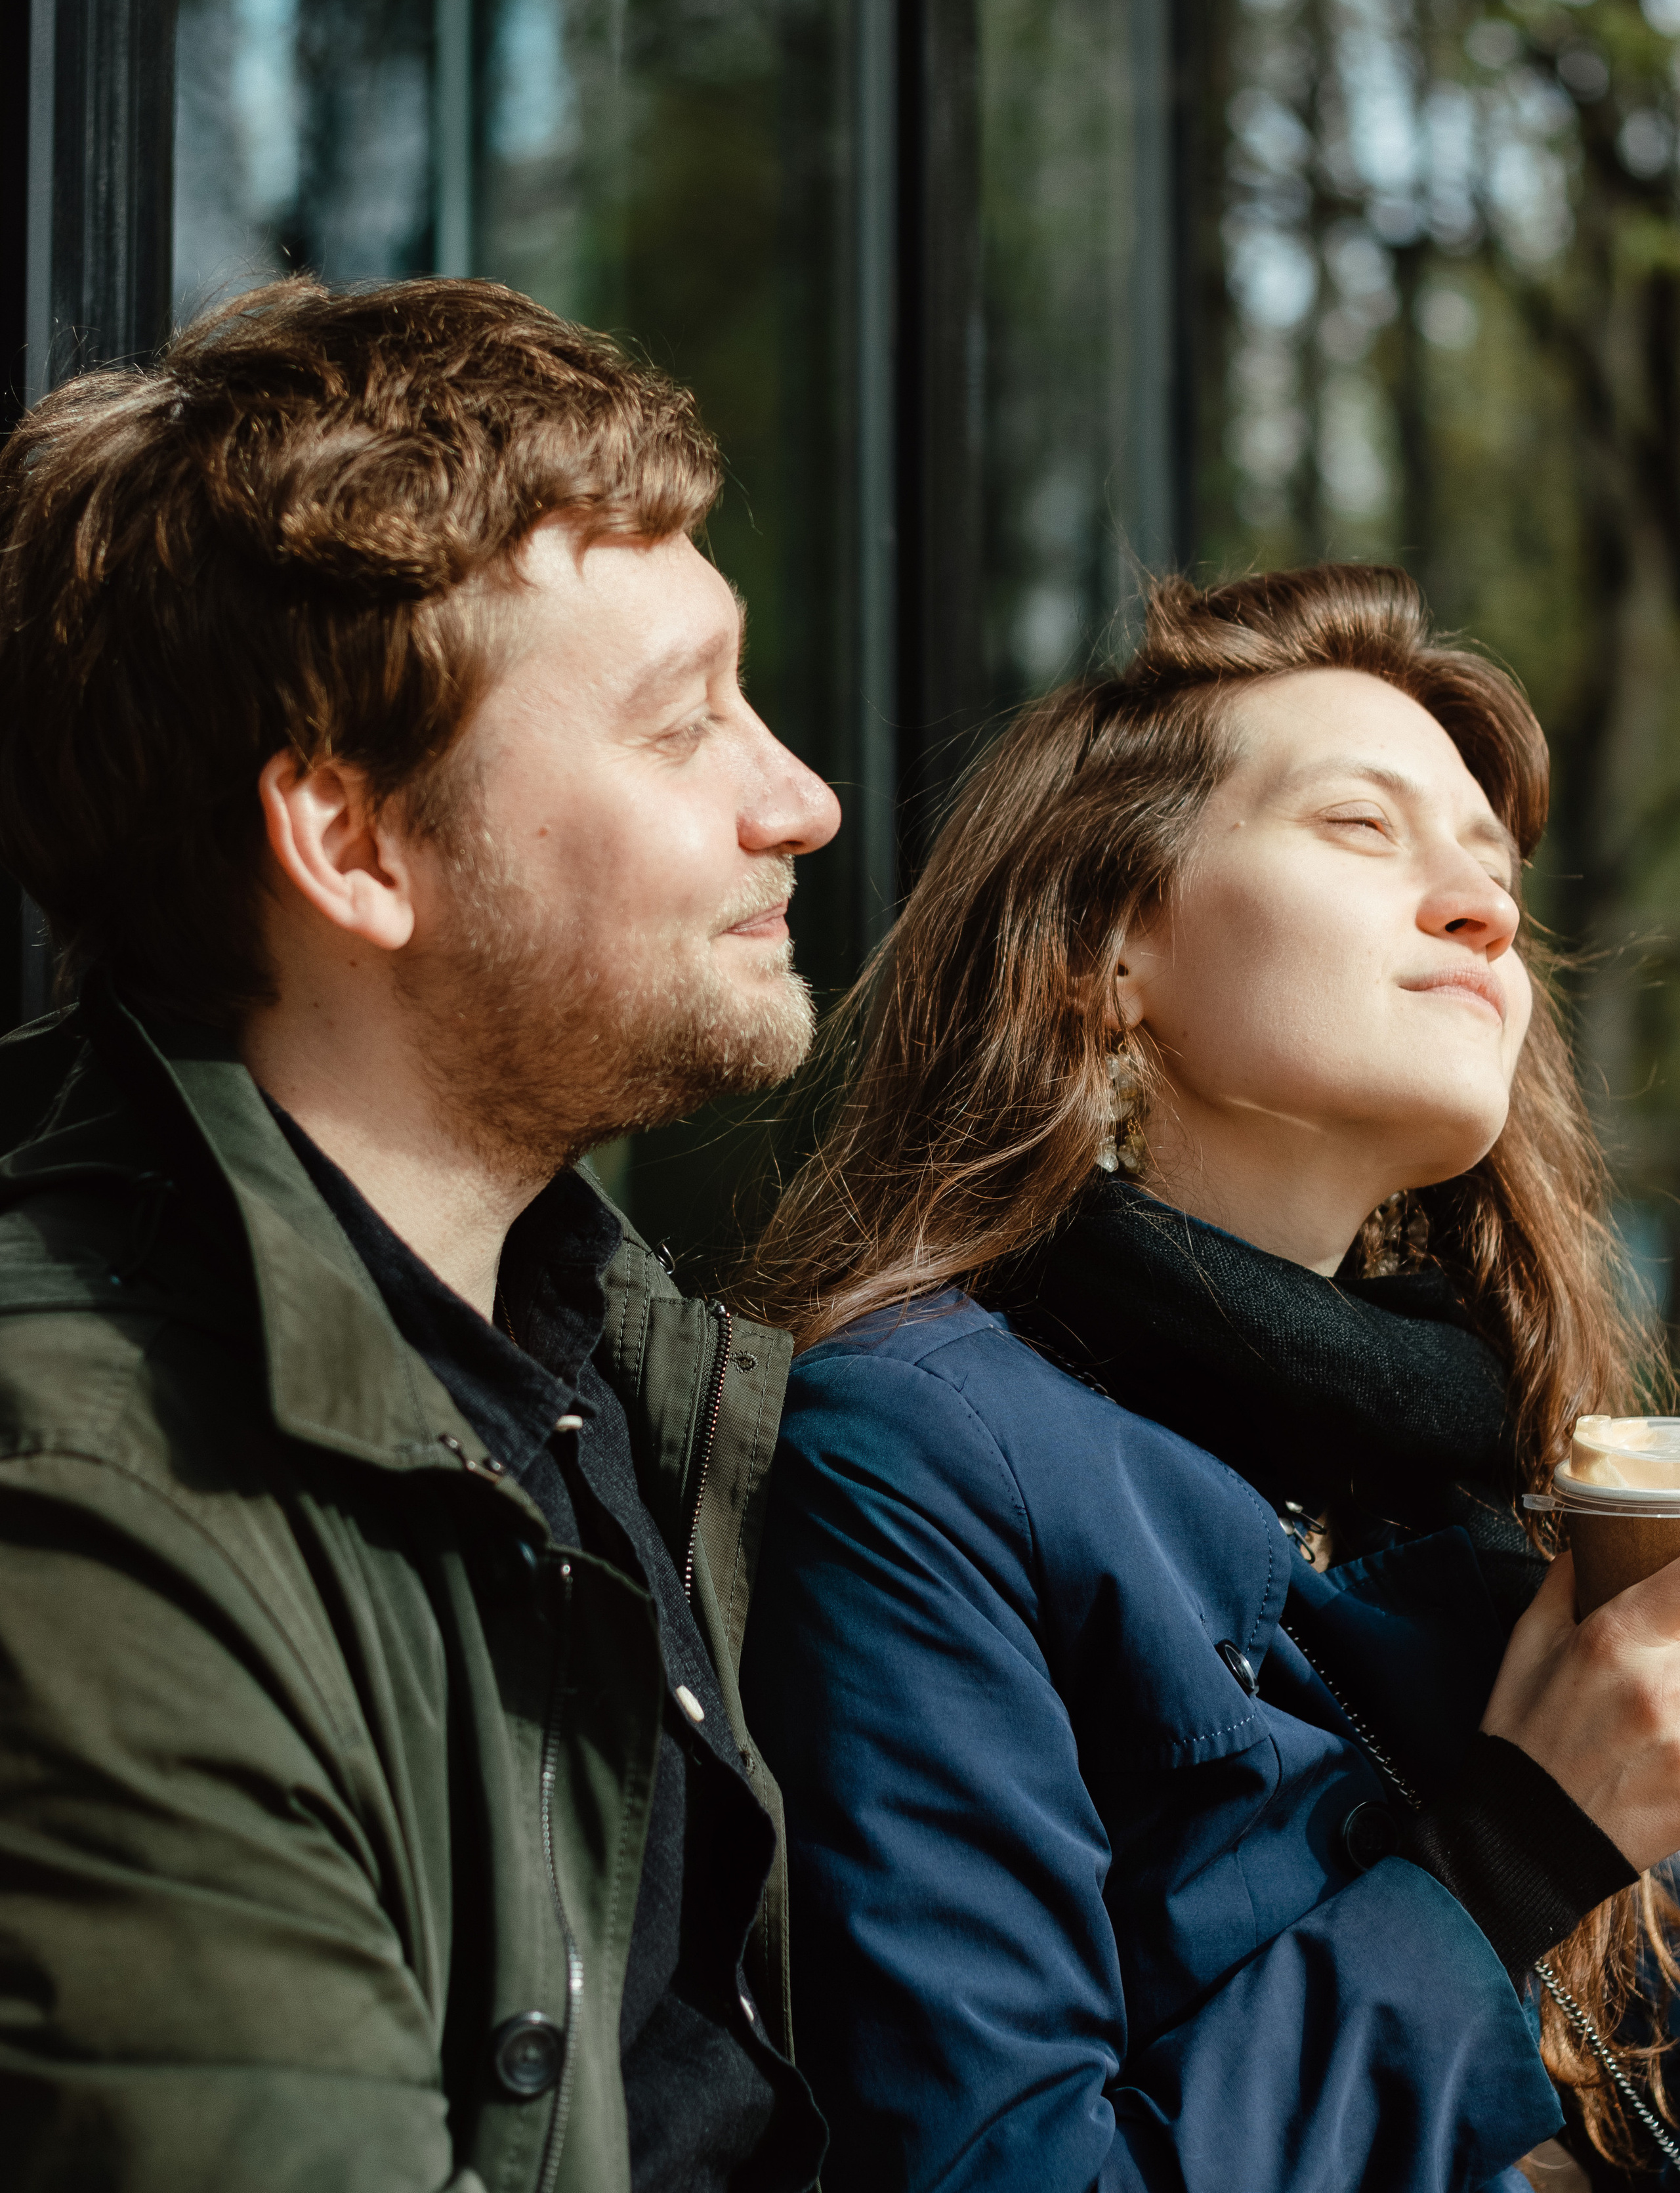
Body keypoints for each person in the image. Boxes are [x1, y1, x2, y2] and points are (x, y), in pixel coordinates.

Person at [0, 275, 838, 2193]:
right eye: (680, 726)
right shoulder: (93, 1506)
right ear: (354, 845)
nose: (798, 798)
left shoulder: (619, 1380)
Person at [740, 563, 1680, 2193]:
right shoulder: (914, 1447)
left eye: (1490, 870)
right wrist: (1523, 1840)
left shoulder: (1489, 1460)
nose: (1483, 911)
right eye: (1355, 828)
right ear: (1108, 956)